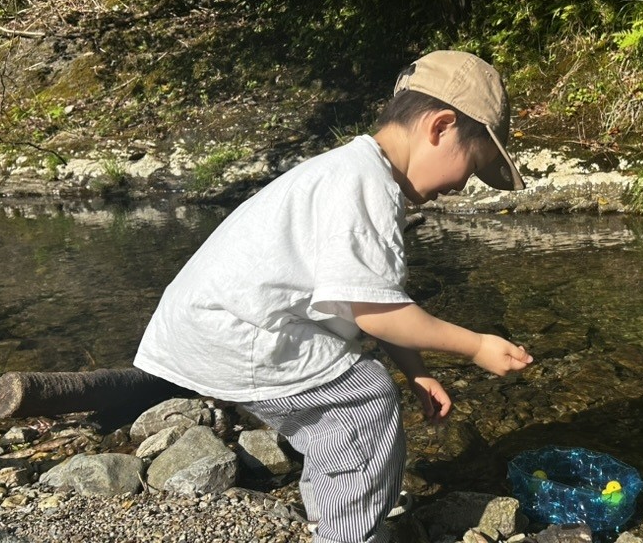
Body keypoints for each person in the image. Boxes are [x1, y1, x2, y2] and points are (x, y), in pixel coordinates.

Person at [133, 50, 534, 543]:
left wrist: (418, 370)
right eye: (473, 166)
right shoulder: (366, 184)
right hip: (236, 331)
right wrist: (475, 346)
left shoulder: (354, 170)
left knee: (339, 408)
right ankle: (347, 532)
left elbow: (377, 298)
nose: (461, 186)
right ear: (440, 127)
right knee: (363, 401)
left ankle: (338, 512)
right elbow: (379, 314)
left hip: (215, 324)